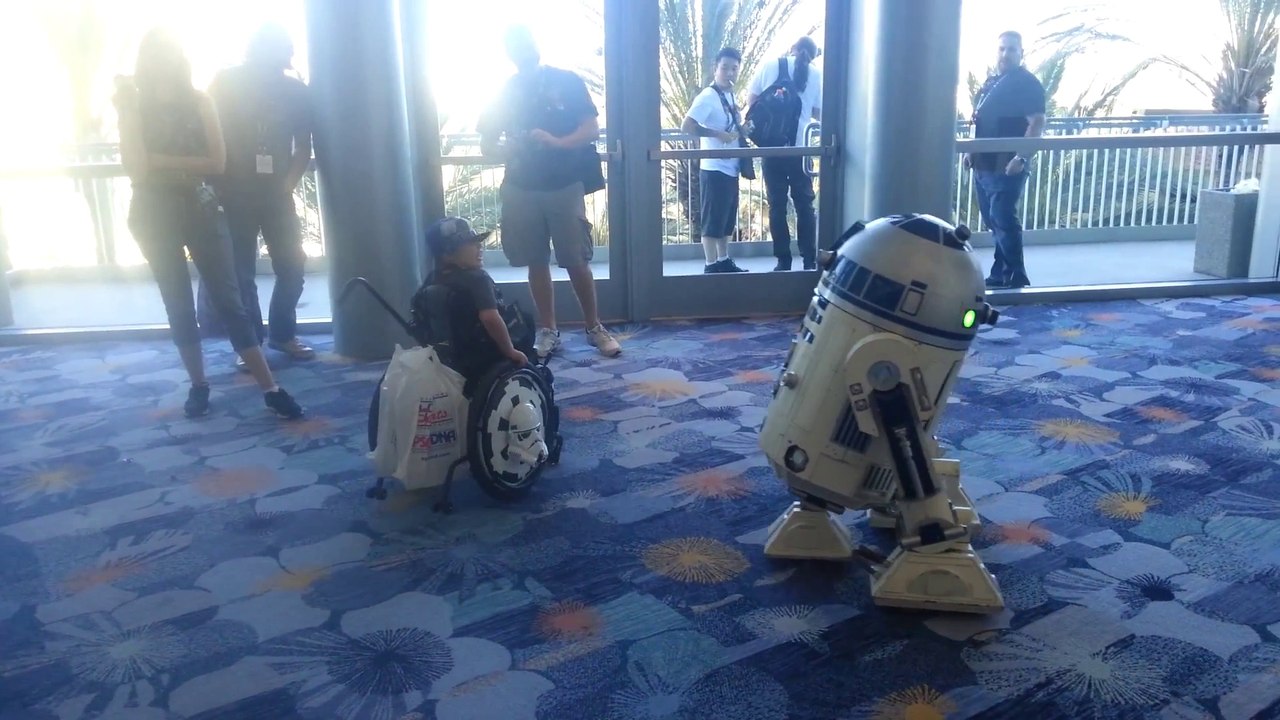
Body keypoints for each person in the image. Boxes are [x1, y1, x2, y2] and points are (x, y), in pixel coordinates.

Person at [114, 28, 303, 420]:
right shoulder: (133, 106)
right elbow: (134, 166)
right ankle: (199, 384)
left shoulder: (200, 101)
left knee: (229, 297)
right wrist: (135, 125)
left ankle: (270, 387)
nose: (164, 64)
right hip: (152, 213)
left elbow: (216, 162)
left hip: (201, 206)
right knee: (177, 302)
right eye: (156, 56)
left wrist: (158, 161)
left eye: (171, 55)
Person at [478, 25, 621, 361]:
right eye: (515, 46)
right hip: (520, 186)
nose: (522, 50)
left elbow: (590, 128)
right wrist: (505, 148)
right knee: (535, 261)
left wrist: (557, 142)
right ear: (508, 53)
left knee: (576, 260)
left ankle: (594, 327)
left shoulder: (566, 81)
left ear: (536, 45)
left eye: (526, 43)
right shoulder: (504, 91)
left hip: (564, 184)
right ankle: (548, 330)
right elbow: (488, 144)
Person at [200, 23, 315, 367]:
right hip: (233, 192)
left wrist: (288, 184)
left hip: (276, 195)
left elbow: (304, 146)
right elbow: (206, 134)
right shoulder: (226, 82)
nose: (282, 58)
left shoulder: (296, 91)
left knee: (293, 266)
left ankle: (282, 334)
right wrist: (214, 182)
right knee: (241, 273)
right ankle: (249, 345)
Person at [965, 30, 1046, 289]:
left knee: (1002, 217)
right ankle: (1000, 271)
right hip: (984, 163)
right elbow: (980, 121)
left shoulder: (1027, 84)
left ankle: (1016, 274)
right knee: (992, 219)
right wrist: (970, 151)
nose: (1005, 54)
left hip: (1008, 165)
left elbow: (1037, 123)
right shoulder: (991, 82)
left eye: (1011, 49)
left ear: (1021, 52)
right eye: (1001, 49)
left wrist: (1021, 157)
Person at [423, 217, 533, 396]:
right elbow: (490, 317)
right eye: (471, 244)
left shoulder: (431, 281)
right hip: (482, 354)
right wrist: (510, 351)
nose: (479, 247)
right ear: (447, 254)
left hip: (450, 353)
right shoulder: (478, 279)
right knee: (525, 321)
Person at [747, 36, 822, 272]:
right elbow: (819, 113)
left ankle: (783, 261)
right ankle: (809, 259)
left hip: (772, 148)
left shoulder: (770, 65)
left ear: (792, 48)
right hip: (801, 148)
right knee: (804, 205)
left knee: (776, 205)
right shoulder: (816, 74)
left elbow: (752, 102)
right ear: (813, 55)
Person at [682, 48, 749, 274]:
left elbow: (730, 127)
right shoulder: (708, 96)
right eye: (725, 68)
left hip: (731, 167)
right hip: (714, 168)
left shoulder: (729, 94)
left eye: (734, 68)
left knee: (727, 218)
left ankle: (723, 260)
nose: (729, 73)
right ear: (715, 68)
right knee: (713, 219)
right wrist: (716, 134)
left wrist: (743, 129)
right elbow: (687, 126)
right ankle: (711, 265)